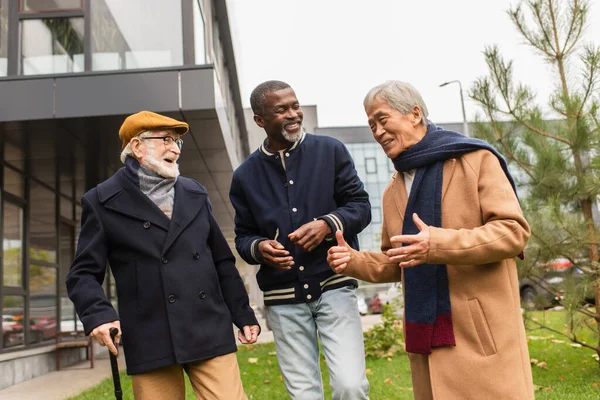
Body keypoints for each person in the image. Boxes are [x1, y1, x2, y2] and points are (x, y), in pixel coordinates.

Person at [327, 81, 534, 400]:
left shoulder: (475, 159)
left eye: (382, 119)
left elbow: (512, 233)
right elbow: (398, 261)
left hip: (480, 330)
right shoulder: (393, 189)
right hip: (427, 336)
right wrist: (354, 261)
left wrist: (438, 245)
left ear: (414, 114)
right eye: (371, 125)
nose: (378, 132)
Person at [67, 111, 259, 400]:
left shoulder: (195, 192)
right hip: (150, 333)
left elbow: (222, 261)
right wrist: (98, 315)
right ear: (137, 147)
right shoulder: (101, 200)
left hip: (208, 326)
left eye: (178, 142)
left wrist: (243, 313)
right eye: (167, 140)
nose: (175, 149)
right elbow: (83, 273)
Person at [229, 80, 371, 399]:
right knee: (304, 393)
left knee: (350, 385)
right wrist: (259, 248)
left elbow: (361, 207)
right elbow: (243, 237)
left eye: (295, 106)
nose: (294, 114)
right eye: (282, 110)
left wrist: (327, 224)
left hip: (334, 284)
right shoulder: (245, 176)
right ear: (260, 120)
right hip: (282, 298)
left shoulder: (331, 150)